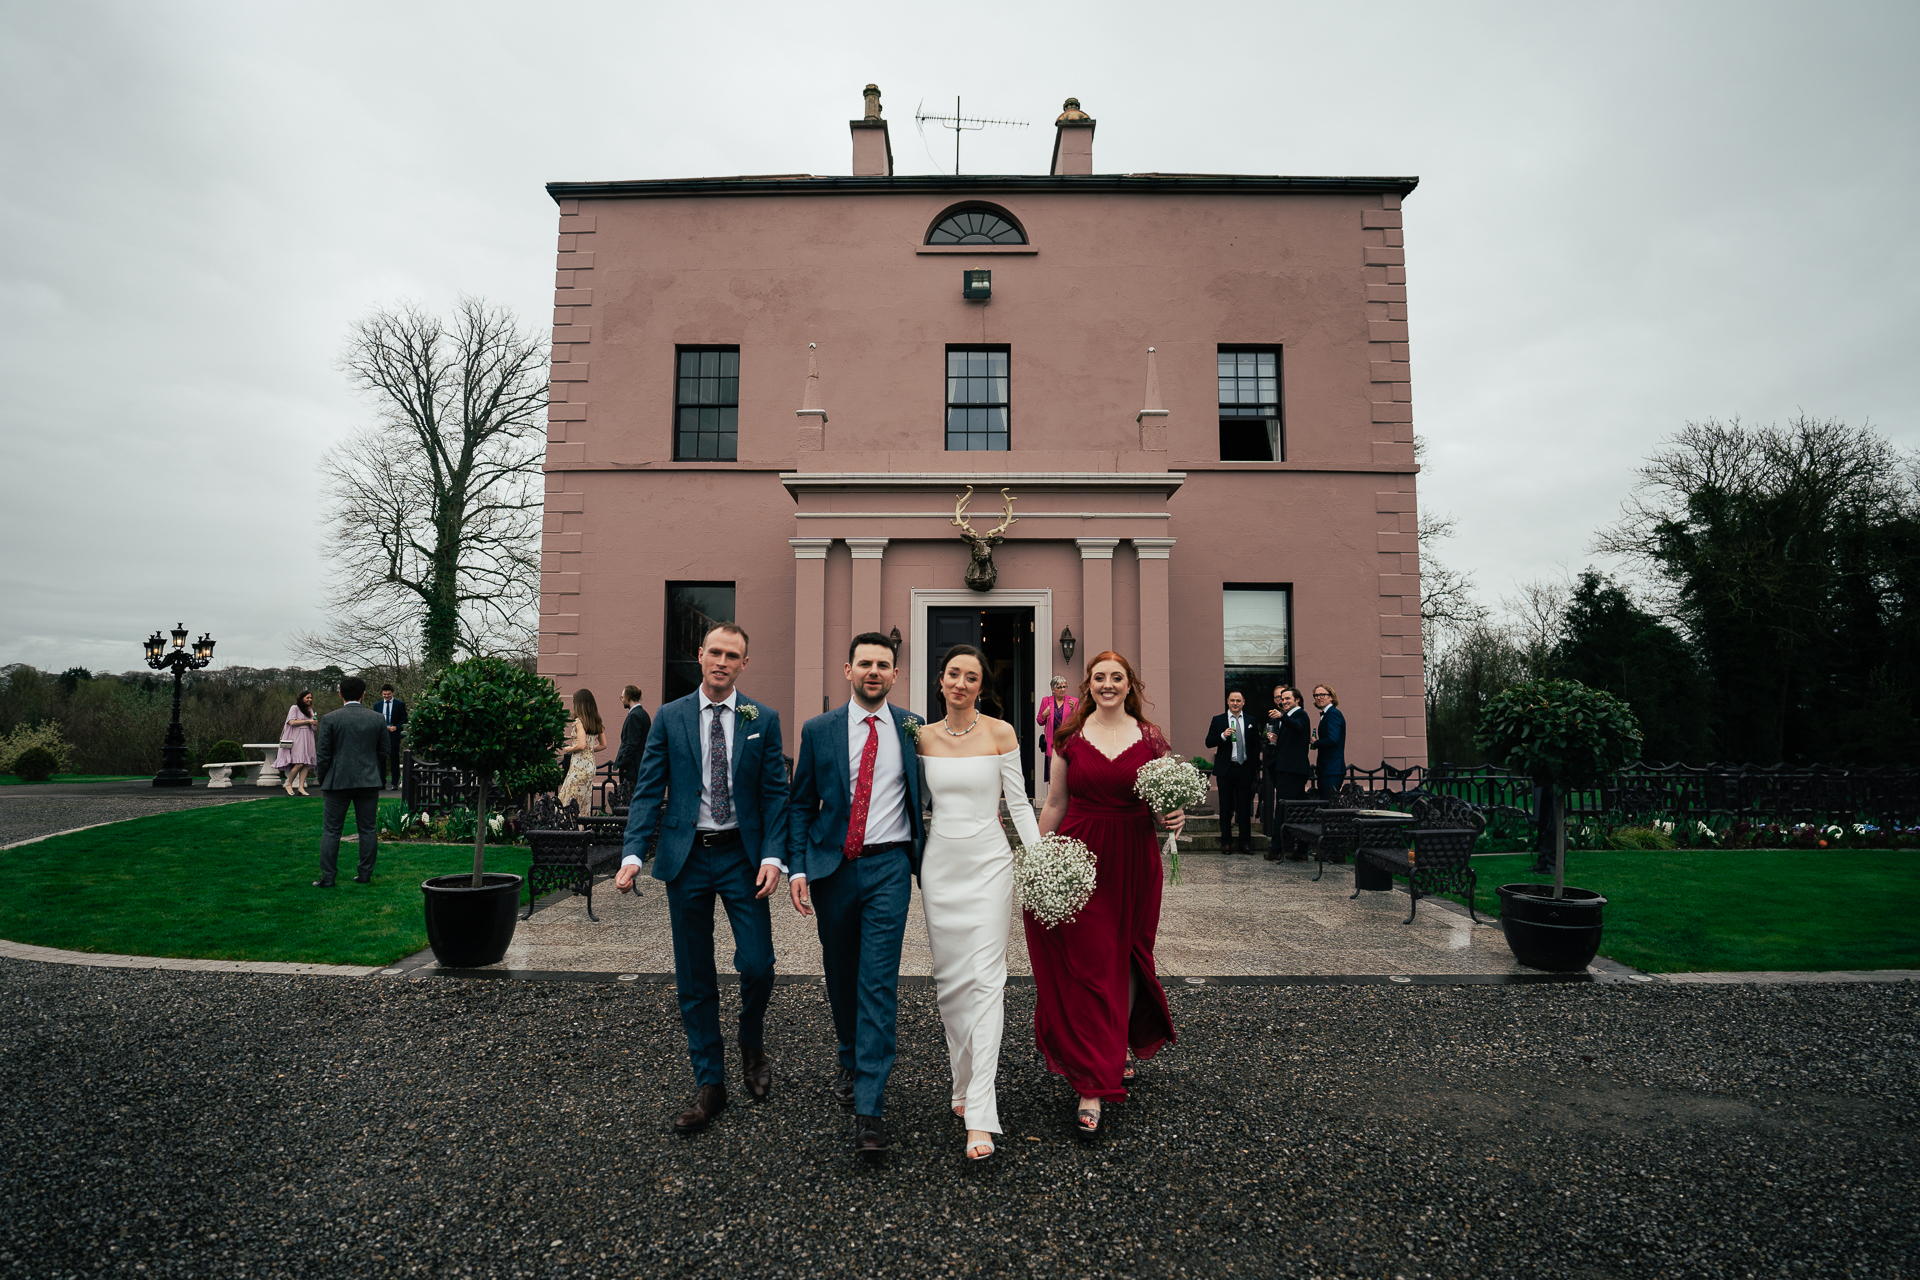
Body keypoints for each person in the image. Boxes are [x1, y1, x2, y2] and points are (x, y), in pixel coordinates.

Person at [614, 624, 788, 1135]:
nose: (722, 661)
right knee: (695, 973)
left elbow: (776, 793)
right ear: (700, 656)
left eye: (733, 655)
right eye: (715, 651)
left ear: (744, 664)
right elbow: (648, 791)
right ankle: (710, 1082)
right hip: (686, 857)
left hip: (742, 856)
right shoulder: (669, 717)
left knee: (758, 964)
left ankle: (750, 1042)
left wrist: (774, 856)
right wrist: (631, 854)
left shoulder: (763, 719)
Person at [1029, 650, 1182, 1139]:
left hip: (1135, 858)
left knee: (1130, 956)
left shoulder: (1150, 737)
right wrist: (1038, 857)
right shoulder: (1070, 736)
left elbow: (1163, 806)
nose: (1108, 685)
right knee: (1092, 960)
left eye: (1117, 677)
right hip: (1080, 857)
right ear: (1088, 685)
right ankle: (1092, 1085)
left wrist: (1172, 816)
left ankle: (1113, 1052)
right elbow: (1055, 802)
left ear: (1129, 684)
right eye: (1099, 678)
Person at [786, 632, 926, 1158]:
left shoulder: (913, 730)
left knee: (877, 982)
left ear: (894, 675)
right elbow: (801, 804)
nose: (874, 671)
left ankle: (870, 1106)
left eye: (883, 665)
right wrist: (798, 867)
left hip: (890, 866)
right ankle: (849, 1054)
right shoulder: (819, 730)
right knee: (842, 976)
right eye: (864, 663)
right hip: (833, 868)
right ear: (847, 671)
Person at [916, 643, 1041, 1163]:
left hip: (991, 864)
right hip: (940, 867)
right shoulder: (919, 736)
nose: (961, 683)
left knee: (988, 982)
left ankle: (982, 1115)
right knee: (951, 986)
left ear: (981, 685)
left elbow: (1019, 802)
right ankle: (962, 1085)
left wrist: (1040, 861)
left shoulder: (1001, 732)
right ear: (940, 681)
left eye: (971, 676)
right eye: (953, 674)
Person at [312, 676, 387, 888]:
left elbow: (323, 755)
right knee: (368, 829)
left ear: (340, 694)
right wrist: (370, 765)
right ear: (363, 694)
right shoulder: (377, 718)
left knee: (332, 831)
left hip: (337, 781)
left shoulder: (330, 718)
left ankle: (328, 877)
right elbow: (384, 751)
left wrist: (323, 778)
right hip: (368, 780)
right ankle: (365, 874)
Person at [1205, 690, 1259, 853]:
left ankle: (1245, 843)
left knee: (1244, 807)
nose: (1235, 703)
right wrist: (1222, 735)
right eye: (1232, 700)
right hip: (1226, 769)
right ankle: (1226, 842)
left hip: (1244, 769)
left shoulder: (1251, 720)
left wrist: (1253, 765)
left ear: (1243, 702)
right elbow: (1208, 742)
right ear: (1228, 702)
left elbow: (1256, 744)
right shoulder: (1219, 720)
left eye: (1238, 700)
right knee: (1225, 806)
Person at [1263, 686, 1313, 861]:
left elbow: (1298, 727)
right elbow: (1293, 739)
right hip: (1290, 769)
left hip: (1292, 770)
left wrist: (1282, 716)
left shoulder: (1300, 715)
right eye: (1282, 699)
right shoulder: (1290, 717)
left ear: (1297, 700)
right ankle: (1302, 849)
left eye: (1288, 699)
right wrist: (1277, 741)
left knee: (1283, 808)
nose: (1284, 702)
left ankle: (1276, 850)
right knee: (1299, 810)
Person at [557, 688, 604, 811]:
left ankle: (569, 827)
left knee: (569, 799)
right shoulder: (597, 721)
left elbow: (581, 745)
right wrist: (589, 750)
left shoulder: (579, 721)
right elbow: (603, 745)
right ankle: (582, 826)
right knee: (584, 800)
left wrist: (569, 749)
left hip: (579, 766)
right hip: (590, 766)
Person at [1035, 675, 1078, 788]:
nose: (1062, 689)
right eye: (1059, 687)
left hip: (1066, 743)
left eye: (1064, 686)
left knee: (1066, 774)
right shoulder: (1046, 701)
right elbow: (1039, 721)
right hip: (1051, 744)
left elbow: (1077, 723)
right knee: (1053, 776)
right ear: (1053, 689)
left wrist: (1073, 710)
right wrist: (1044, 714)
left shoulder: (1073, 701)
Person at [274, 690, 319, 796]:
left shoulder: (310, 710)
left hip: (308, 737)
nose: (309, 700)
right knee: (299, 763)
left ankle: (301, 787)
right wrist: (307, 721)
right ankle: (289, 784)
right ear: (302, 698)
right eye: (307, 697)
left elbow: (314, 727)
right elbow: (292, 722)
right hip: (297, 737)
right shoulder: (294, 708)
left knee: (305, 764)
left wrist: (314, 723)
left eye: (311, 698)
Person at [613, 684, 652, 796]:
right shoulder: (643, 714)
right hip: (637, 765)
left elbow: (631, 743)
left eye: (622, 697)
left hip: (632, 768)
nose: (622, 700)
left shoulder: (634, 715)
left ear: (628, 698)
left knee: (628, 800)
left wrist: (624, 764)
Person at [1311, 684, 1346, 800]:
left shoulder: (1333, 714)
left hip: (1331, 769)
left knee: (1329, 806)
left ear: (1331, 697)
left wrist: (1316, 743)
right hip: (1329, 768)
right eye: (1316, 695)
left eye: (1322, 695)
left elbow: (1333, 739)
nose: (1318, 697)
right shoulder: (1327, 714)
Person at [375, 683, 408, 790]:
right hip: (381, 734)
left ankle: (394, 783)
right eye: (384, 694)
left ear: (392, 693)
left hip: (394, 735)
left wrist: (397, 727)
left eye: (388, 694)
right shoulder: (377, 705)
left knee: (394, 759)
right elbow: (374, 720)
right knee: (381, 759)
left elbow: (404, 719)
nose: (386, 696)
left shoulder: (399, 704)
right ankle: (381, 782)